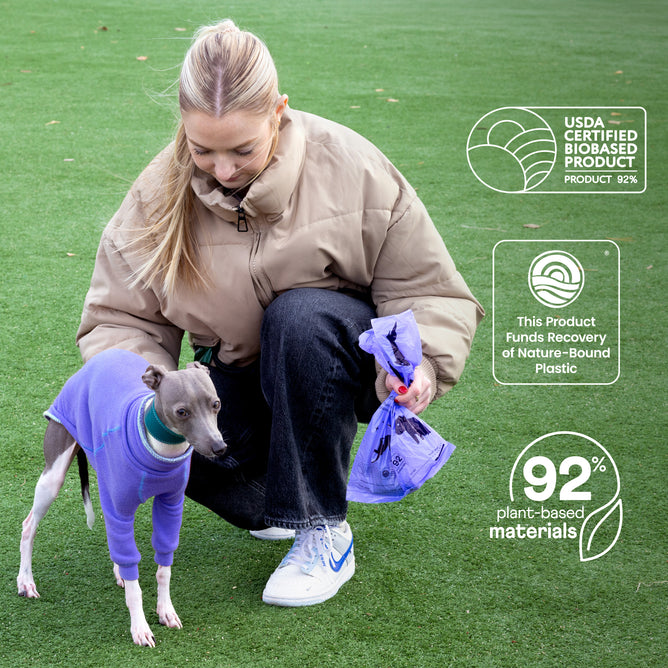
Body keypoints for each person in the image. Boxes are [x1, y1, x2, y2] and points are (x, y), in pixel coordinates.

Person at [76, 19, 484, 607]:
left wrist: (421, 363)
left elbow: (427, 289)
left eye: (241, 149)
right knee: (155, 421)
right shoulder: (156, 193)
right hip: (236, 381)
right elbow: (123, 319)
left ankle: (322, 529)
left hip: (337, 367)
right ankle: (275, 502)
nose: (222, 170)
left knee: (299, 317)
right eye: (202, 149)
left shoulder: (353, 166)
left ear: (278, 111)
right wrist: (141, 403)